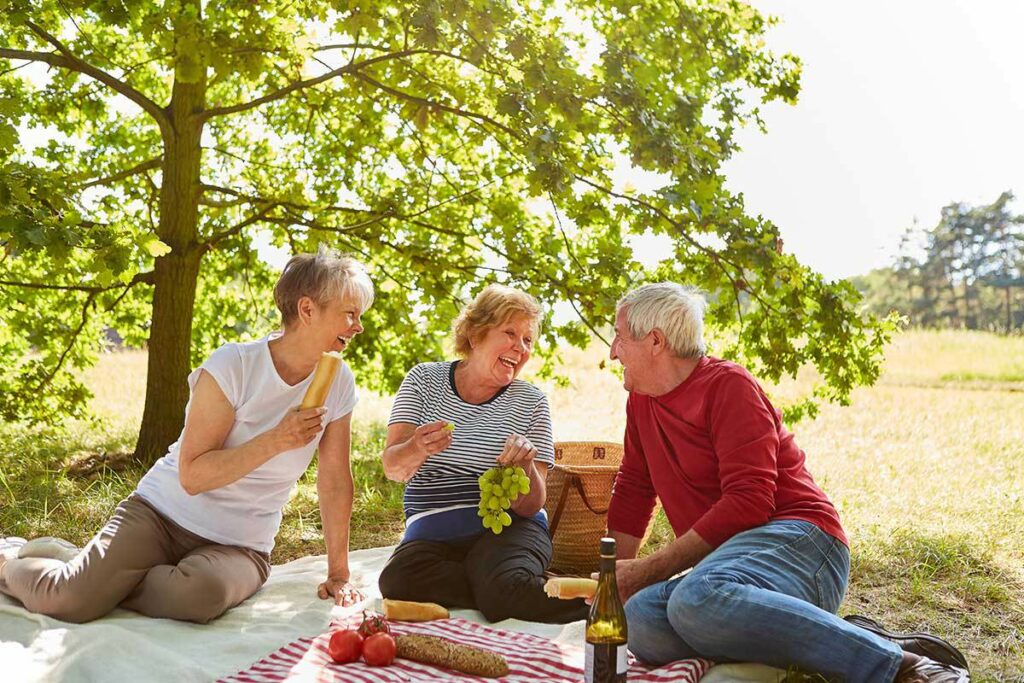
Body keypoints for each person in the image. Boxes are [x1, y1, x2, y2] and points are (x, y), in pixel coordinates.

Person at [603, 283, 970, 682]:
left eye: (620, 337)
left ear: (655, 340)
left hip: (804, 544)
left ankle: (901, 665)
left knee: (694, 598)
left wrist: (649, 569)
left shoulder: (728, 386)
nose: (612, 351)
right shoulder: (641, 401)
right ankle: (842, 635)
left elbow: (749, 501)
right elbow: (635, 487)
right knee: (639, 619)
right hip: (731, 571)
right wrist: (611, 582)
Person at [0, 249, 373, 624]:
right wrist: (277, 439)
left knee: (199, 597)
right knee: (71, 600)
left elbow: (335, 480)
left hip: (240, 546)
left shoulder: (339, 383)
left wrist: (338, 573)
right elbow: (193, 476)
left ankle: (99, 574)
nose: (358, 326)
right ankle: (10, 565)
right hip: (160, 515)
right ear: (307, 310)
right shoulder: (234, 364)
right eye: (350, 314)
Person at [377, 284, 587, 623]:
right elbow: (392, 467)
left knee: (500, 589)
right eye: (510, 333)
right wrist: (416, 447)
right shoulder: (423, 380)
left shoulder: (531, 402)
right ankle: (502, 584)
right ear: (475, 335)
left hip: (508, 531)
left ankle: (599, 603)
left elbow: (533, 504)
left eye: (528, 340)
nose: (520, 348)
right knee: (398, 580)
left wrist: (527, 467)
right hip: (433, 537)